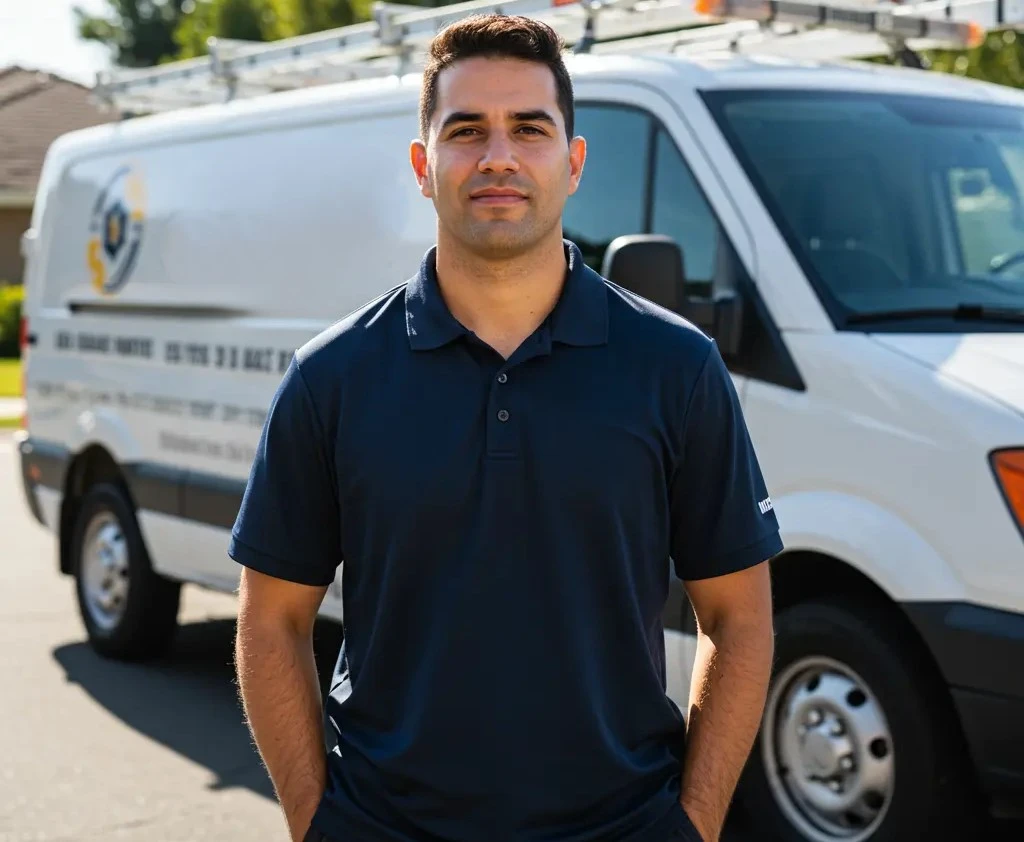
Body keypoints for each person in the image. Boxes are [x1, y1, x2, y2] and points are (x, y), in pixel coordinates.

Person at [229, 13, 782, 842]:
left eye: (529, 128)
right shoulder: (331, 378)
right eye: (465, 131)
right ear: (423, 167)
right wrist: (317, 822)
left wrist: (693, 825)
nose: (498, 156)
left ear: (574, 162)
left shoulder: (677, 369)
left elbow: (739, 618)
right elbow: (270, 621)